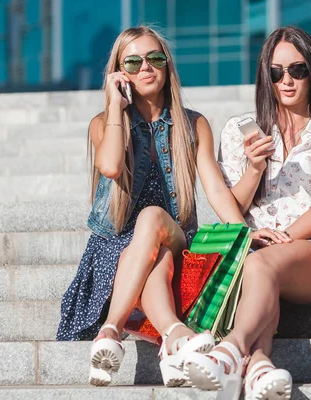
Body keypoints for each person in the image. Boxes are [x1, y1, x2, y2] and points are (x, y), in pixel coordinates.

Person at [56, 26, 246, 387]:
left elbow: (216, 191)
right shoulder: (105, 124)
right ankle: (174, 336)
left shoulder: (193, 124)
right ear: (119, 72)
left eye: (155, 58)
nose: (146, 67)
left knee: (151, 219)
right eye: (133, 61)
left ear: (167, 65)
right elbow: (111, 166)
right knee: (153, 258)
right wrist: (115, 106)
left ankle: (110, 330)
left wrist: (245, 233)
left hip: (173, 234)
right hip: (115, 248)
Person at [182, 26, 311, 400]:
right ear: (266, 75)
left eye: (297, 70)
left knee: (262, 264)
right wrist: (254, 169)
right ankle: (260, 365)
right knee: (259, 265)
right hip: (254, 246)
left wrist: (285, 236)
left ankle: (230, 350)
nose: (287, 80)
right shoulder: (240, 131)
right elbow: (234, 205)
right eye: (276, 72)